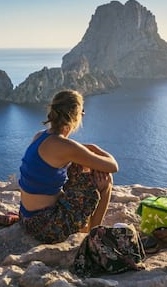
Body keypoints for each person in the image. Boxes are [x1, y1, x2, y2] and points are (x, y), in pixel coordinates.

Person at [18, 89, 119, 244]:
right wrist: (94, 148)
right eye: (82, 112)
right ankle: (93, 236)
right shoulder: (66, 147)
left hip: (25, 218)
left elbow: (67, 152)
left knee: (77, 166)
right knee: (106, 179)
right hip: (45, 226)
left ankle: (83, 226)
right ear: (76, 116)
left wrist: (85, 150)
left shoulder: (40, 136)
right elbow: (113, 165)